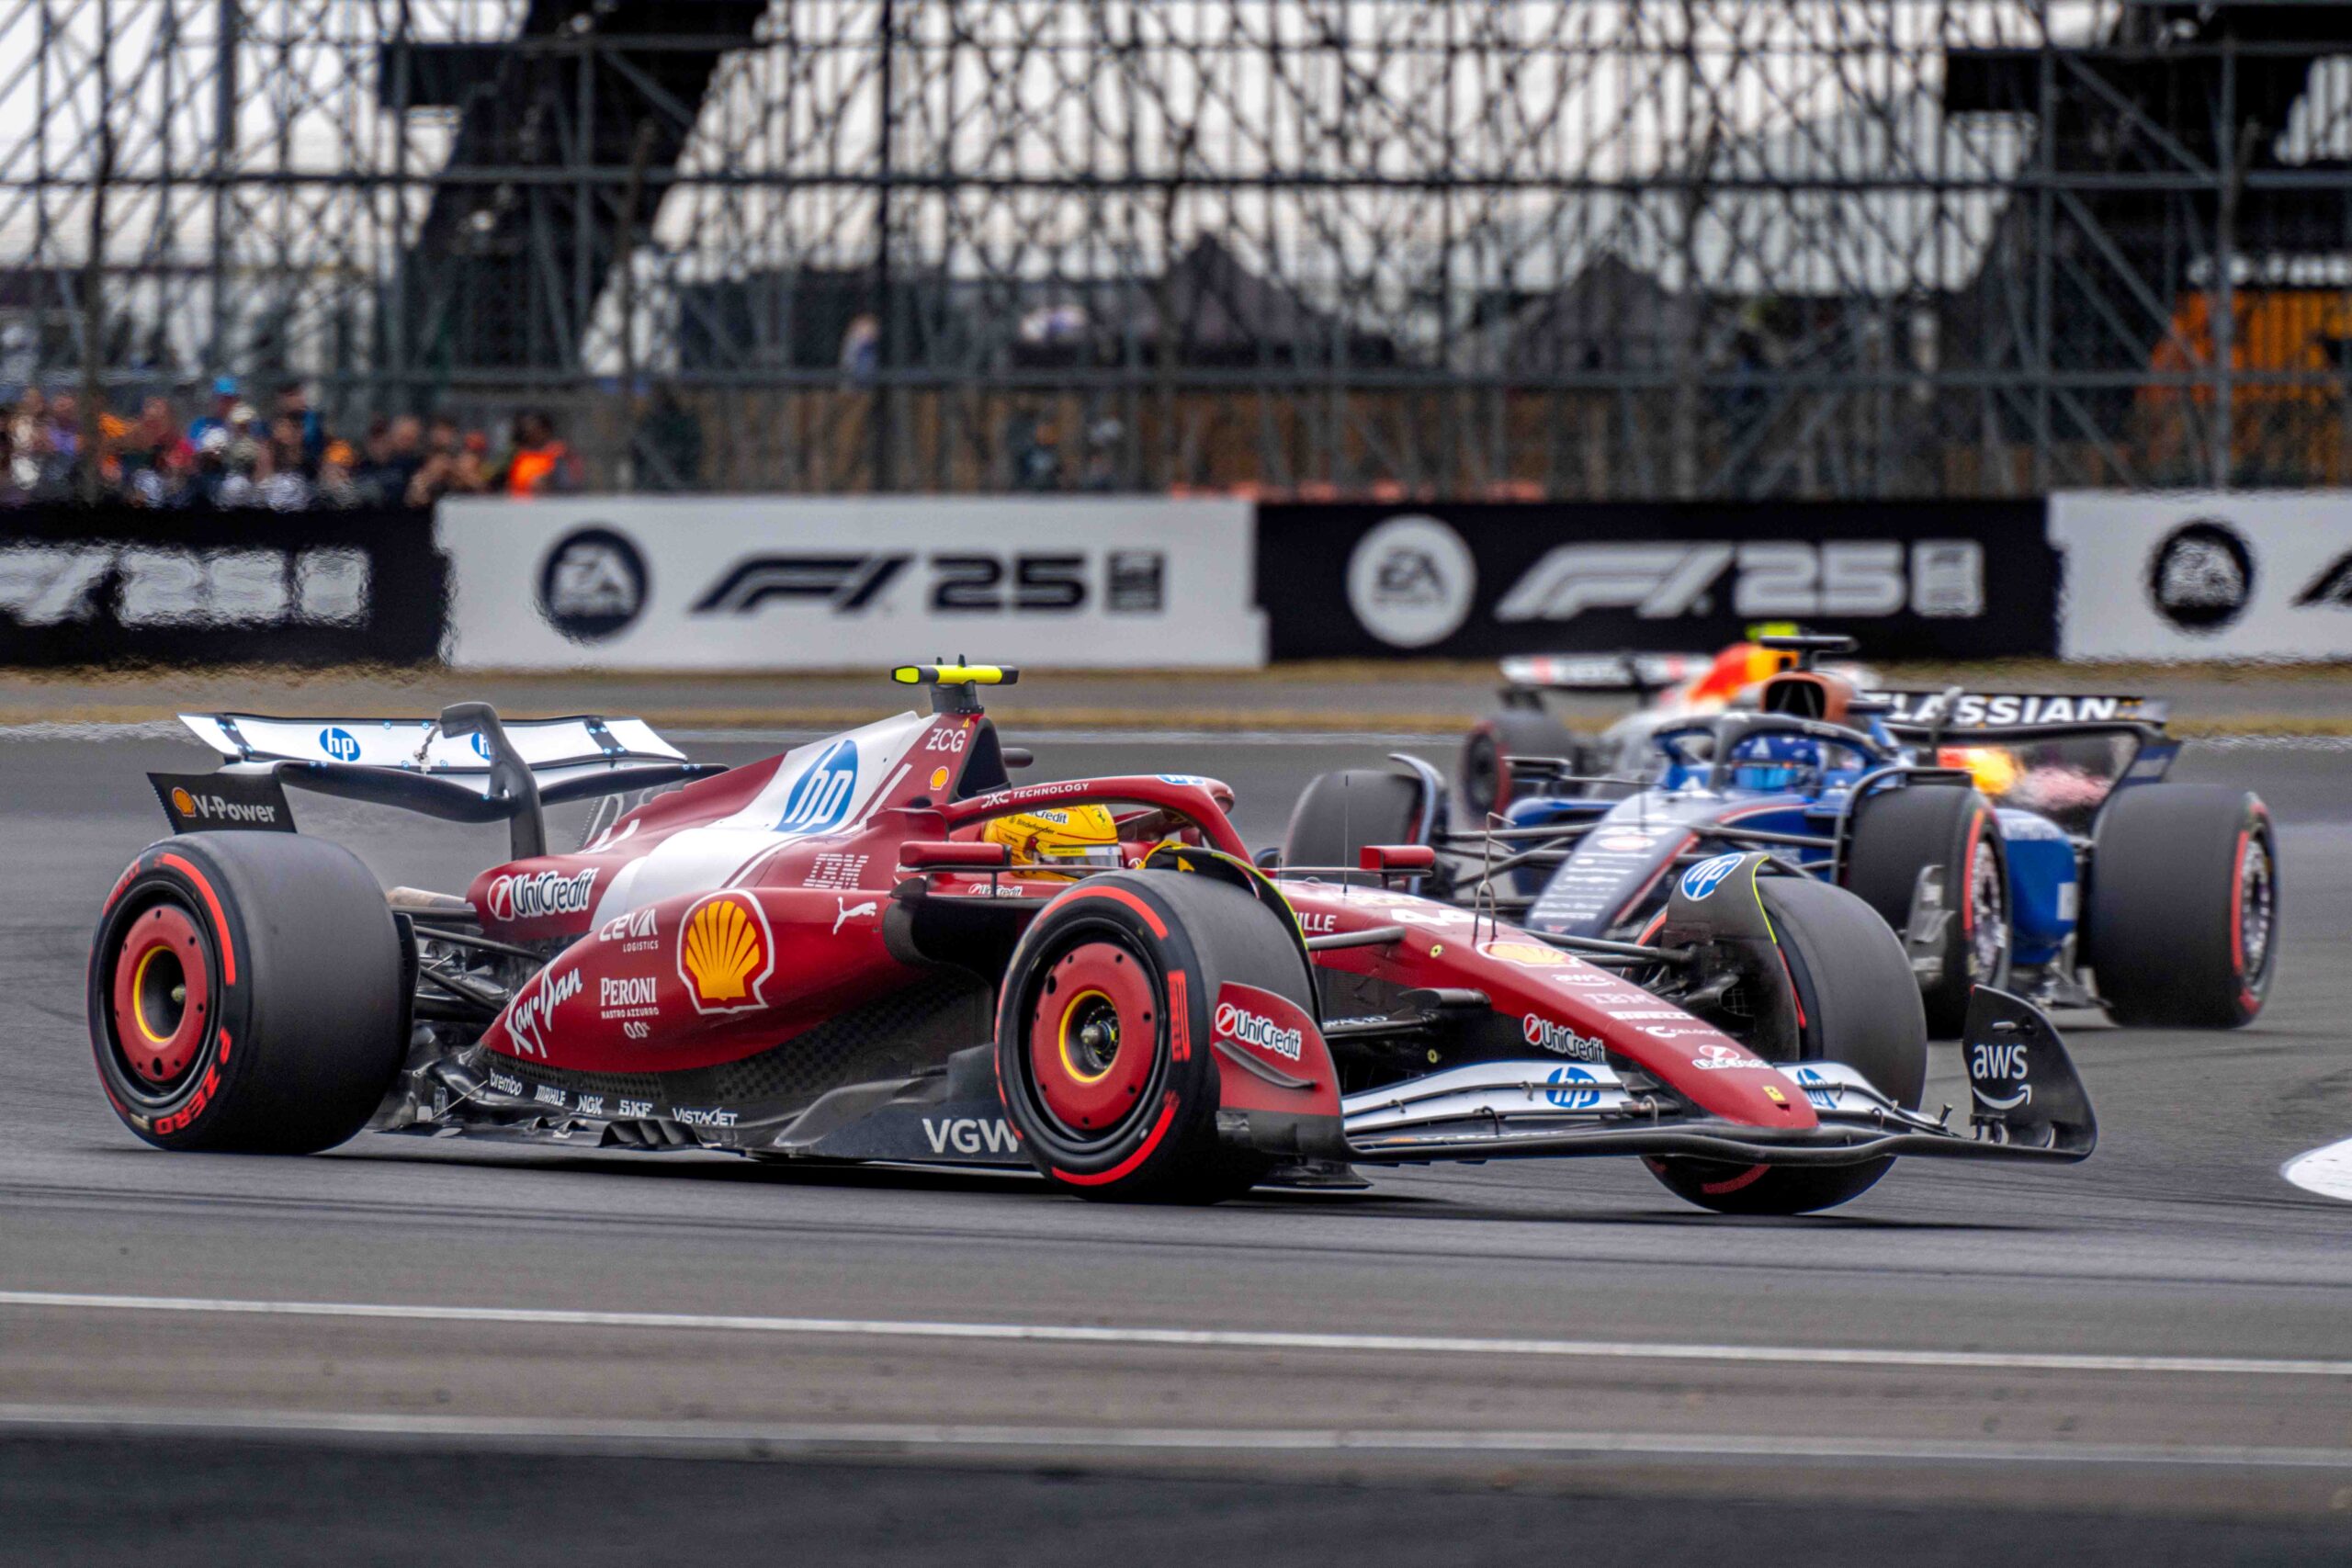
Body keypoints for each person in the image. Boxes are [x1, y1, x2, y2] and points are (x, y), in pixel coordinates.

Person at [494, 409, 578, 496]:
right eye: (527, 429)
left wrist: (550, 481)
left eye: (534, 429)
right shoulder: (518, 453)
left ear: (545, 431)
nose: (529, 433)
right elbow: (502, 478)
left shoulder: (557, 452)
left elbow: (568, 482)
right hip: (517, 502)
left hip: (548, 502)